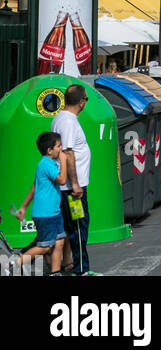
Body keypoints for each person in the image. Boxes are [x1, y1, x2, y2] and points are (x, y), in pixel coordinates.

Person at [50, 84, 94, 276]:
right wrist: (75, 184)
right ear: (82, 101)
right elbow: (67, 153)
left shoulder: (63, 118)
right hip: (72, 189)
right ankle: (81, 269)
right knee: (78, 227)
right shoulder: (67, 122)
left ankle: (69, 264)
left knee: (72, 228)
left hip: (71, 187)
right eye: (86, 99)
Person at [13, 131, 68, 275]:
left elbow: (34, 187)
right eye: (58, 146)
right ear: (49, 151)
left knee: (59, 241)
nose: (61, 149)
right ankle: (15, 262)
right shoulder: (46, 164)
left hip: (54, 212)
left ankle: (55, 272)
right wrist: (64, 161)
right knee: (45, 247)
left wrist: (23, 207)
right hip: (45, 214)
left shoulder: (48, 164)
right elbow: (62, 180)